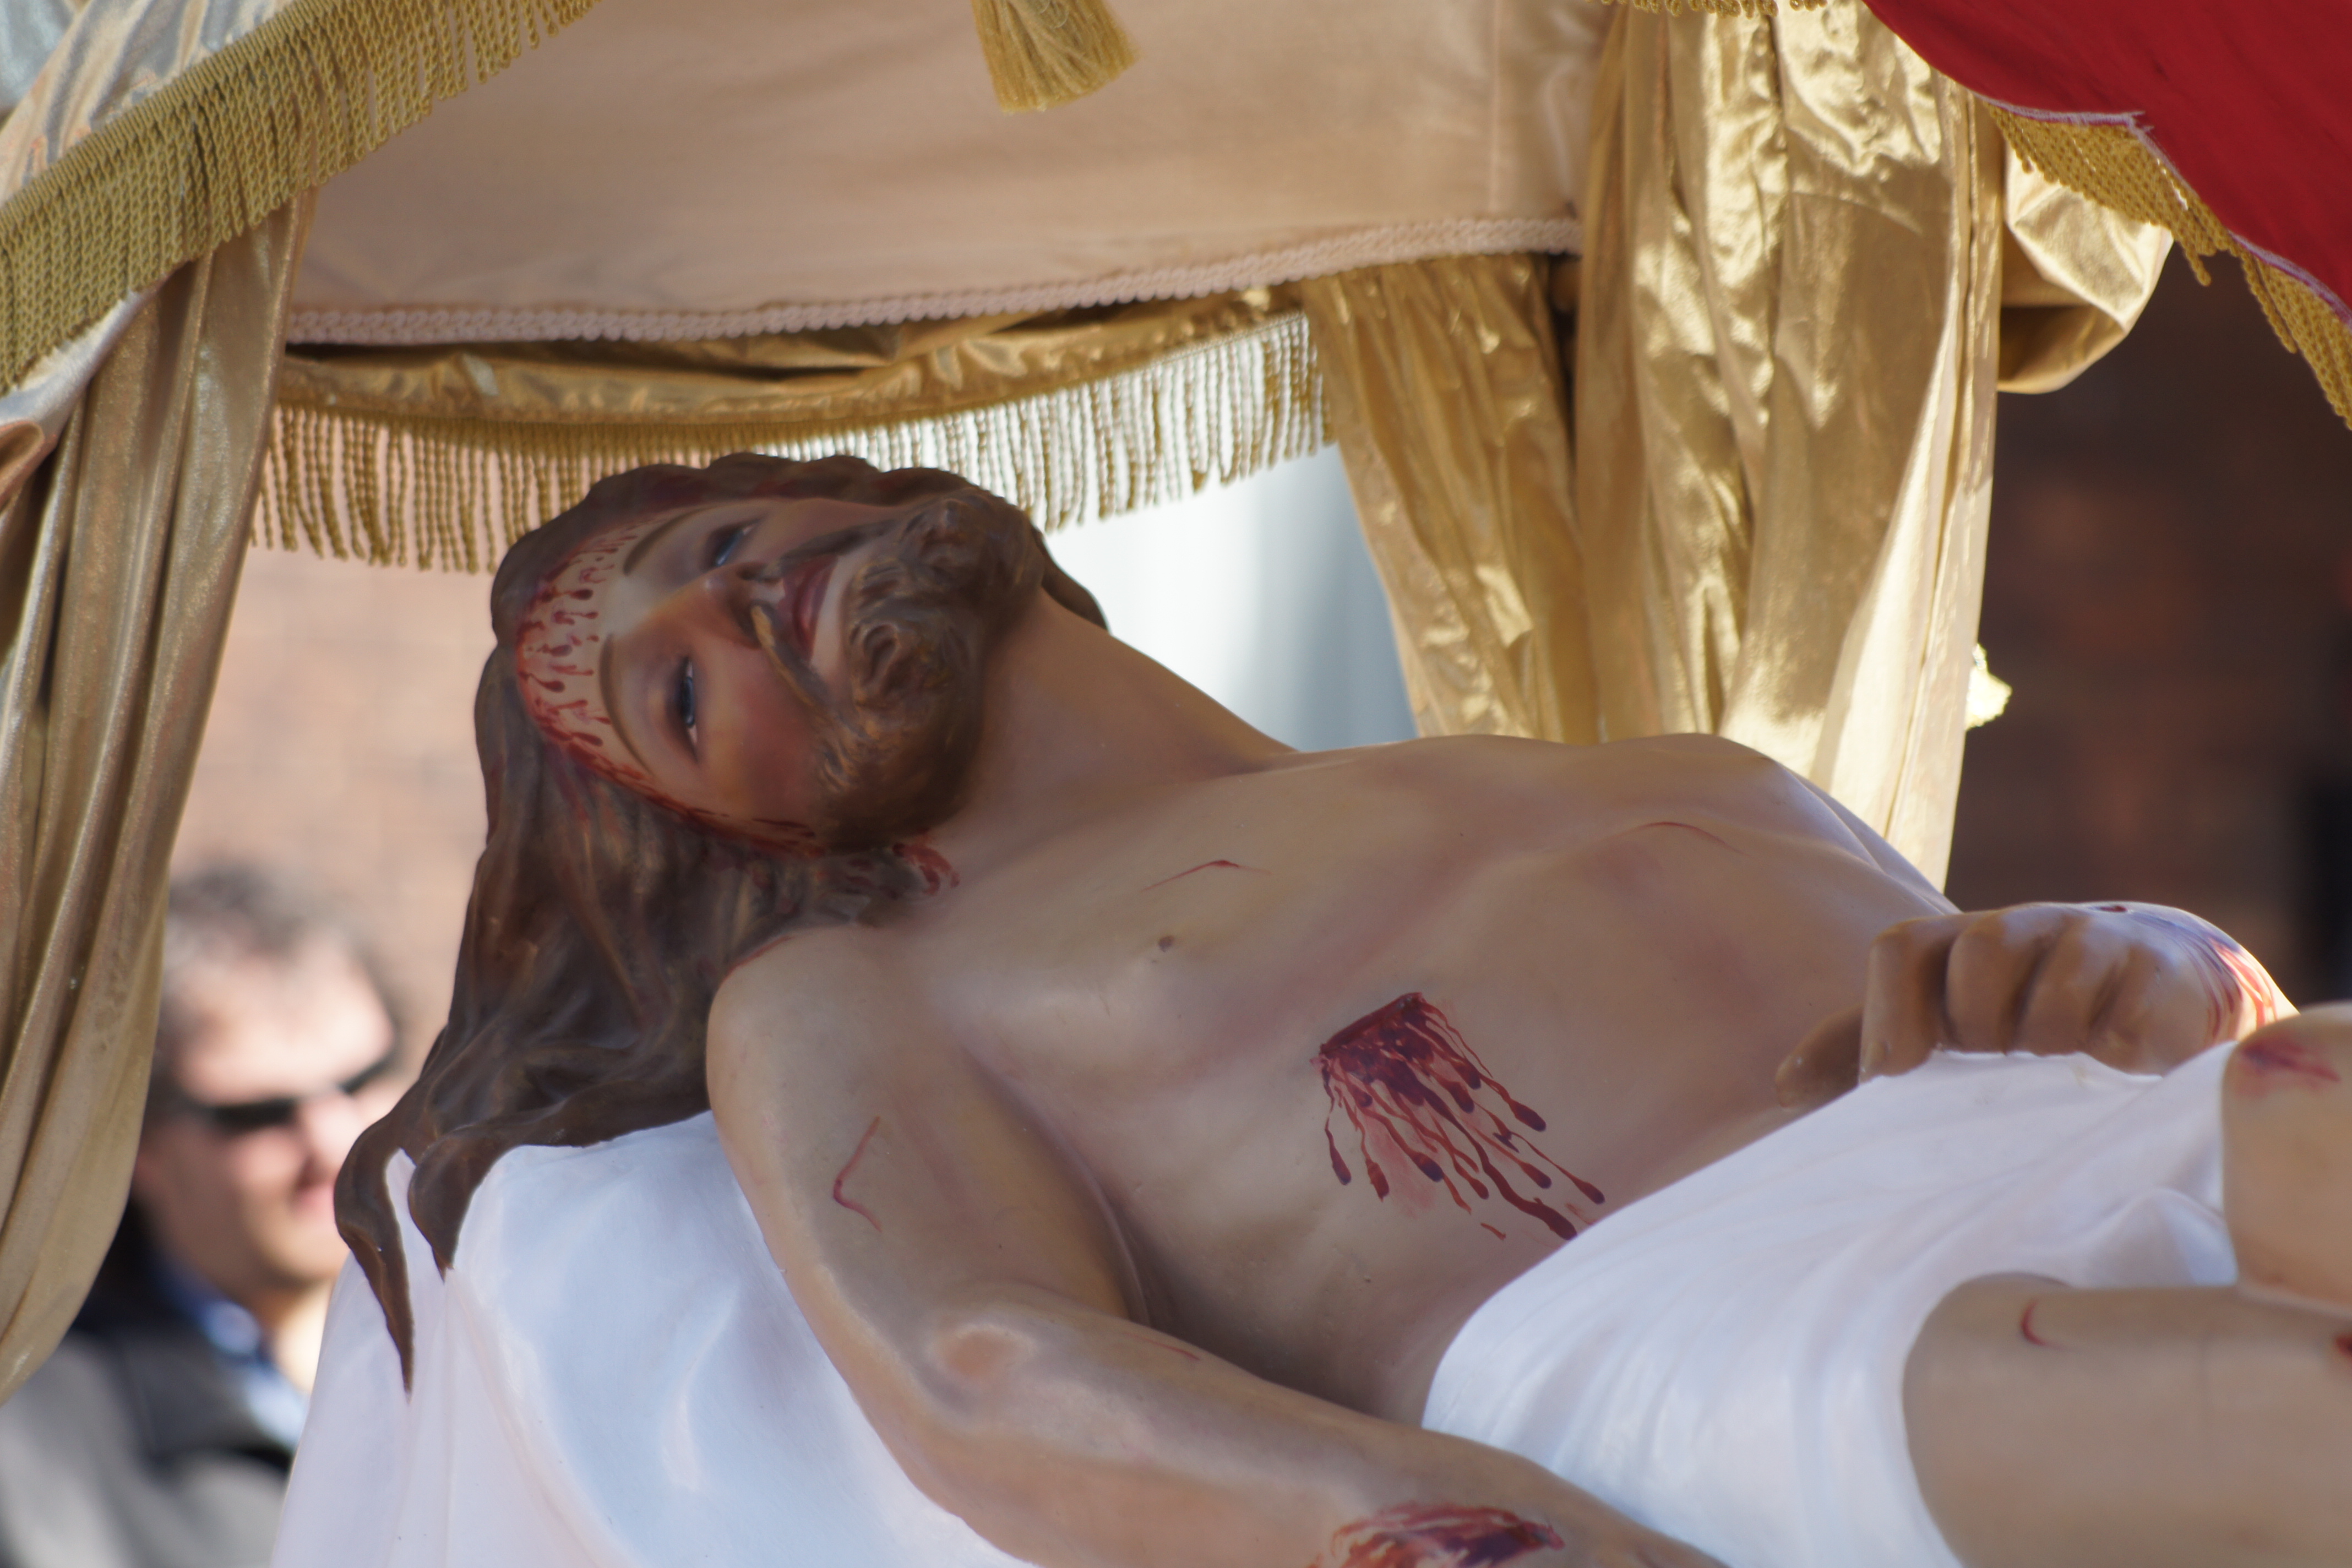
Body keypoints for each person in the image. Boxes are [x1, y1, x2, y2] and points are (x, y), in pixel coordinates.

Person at [324, 454, 2344, 1568]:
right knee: (2271, 1416)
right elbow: (987, 1367)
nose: (732, 603)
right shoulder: (860, 990)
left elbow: (2102, 1003)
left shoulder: (1658, 764)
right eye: (680, 688)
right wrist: (1416, 1531)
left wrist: (2146, 960)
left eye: (718, 549)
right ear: (732, 834)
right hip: (1706, 1340)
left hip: (2048, 1138)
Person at [0, 867, 405, 1568]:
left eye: (363, 1080)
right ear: (134, 1142)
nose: (336, 1143)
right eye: (260, 1115)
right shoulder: (28, 1446)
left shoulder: (504, 1345)